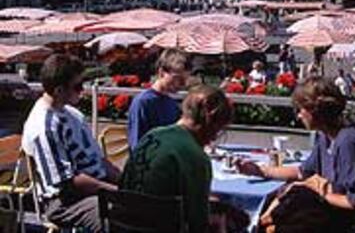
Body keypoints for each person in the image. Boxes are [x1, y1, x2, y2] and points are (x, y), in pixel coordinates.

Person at [236, 76, 355, 233]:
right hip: (335, 216)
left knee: (293, 205)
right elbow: (302, 172)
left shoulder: (349, 142)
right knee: (289, 197)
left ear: (315, 111)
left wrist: (318, 191)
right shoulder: (325, 136)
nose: (299, 116)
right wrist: (259, 170)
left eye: (301, 110)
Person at [22, 54, 120, 232]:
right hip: (66, 201)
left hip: (94, 187)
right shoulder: (44, 127)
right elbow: (67, 184)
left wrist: (126, 182)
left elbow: (99, 160)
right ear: (59, 90)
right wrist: (115, 191)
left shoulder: (73, 114)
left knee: (145, 206)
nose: (82, 90)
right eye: (77, 86)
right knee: (118, 217)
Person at [120, 85, 234, 233]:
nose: (213, 139)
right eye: (217, 131)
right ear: (209, 120)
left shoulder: (150, 137)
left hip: (125, 223)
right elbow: (198, 224)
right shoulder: (196, 158)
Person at [127, 49, 191, 151]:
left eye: (185, 79)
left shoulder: (172, 103)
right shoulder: (143, 103)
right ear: (161, 73)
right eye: (177, 78)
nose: (183, 84)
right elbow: (137, 146)